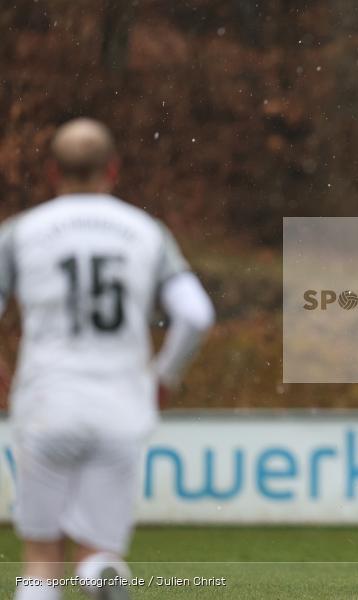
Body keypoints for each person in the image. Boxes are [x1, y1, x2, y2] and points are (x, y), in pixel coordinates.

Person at [0, 118, 215, 600]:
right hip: (121, 406)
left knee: (40, 559)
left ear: (53, 172)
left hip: (47, 400)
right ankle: (98, 573)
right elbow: (197, 316)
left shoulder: (22, 233)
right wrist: (165, 377)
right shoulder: (145, 233)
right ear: (112, 170)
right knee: (97, 550)